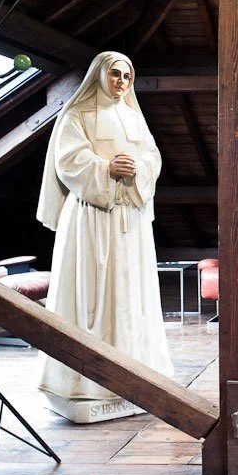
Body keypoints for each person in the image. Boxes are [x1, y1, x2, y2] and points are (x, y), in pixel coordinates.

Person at [34, 51, 173, 417]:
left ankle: (137, 376)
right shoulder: (76, 116)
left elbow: (153, 156)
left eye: (127, 76)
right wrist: (106, 168)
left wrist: (138, 167)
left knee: (132, 296)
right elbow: (68, 161)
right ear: (100, 75)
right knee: (92, 296)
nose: (122, 83)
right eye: (116, 74)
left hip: (132, 223)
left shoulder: (133, 116)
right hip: (93, 221)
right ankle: (86, 382)